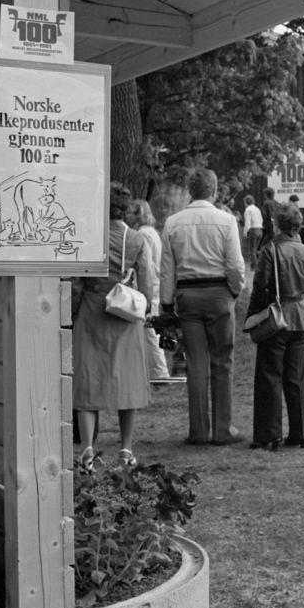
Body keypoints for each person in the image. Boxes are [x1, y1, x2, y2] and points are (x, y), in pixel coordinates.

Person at [161, 168, 246, 446]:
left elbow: (166, 270)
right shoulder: (226, 220)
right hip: (219, 291)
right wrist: (234, 290)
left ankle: (198, 431)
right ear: (214, 190)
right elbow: (235, 265)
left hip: (188, 294)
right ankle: (223, 429)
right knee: (223, 359)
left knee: (196, 363)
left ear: (190, 190)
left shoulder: (173, 222)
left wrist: (166, 304)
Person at [72, 182, 155, 467]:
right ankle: (126, 448)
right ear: (127, 208)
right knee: (127, 378)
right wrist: (146, 308)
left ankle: (87, 448)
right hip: (123, 309)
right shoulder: (136, 239)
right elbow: (146, 280)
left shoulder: (89, 237)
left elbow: (76, 281)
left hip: (92, 307)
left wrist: (72, 311)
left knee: (87, 378)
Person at [247, 203, 304, 450]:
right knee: (296, 378)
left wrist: (252, 318)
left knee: (270, 376)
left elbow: (260, 288)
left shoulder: (270, 250)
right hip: (300, 319)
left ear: (277, 224)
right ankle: (299, 434)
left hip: (277, 318)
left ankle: (269, 435)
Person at [127, 198, 172, 381]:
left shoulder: (143, 234)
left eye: (130, 212)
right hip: (154, 283)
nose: (126, 216)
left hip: (149, 284)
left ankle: (160, 372)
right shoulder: (151, 232)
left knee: (149, 329)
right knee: (148, 328)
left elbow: (146, 265)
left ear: (139, 214)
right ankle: (151, 370)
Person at [242, 194, 263, 269]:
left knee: (252, 250)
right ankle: (259, 263)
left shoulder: (248, 210)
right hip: (260, 229)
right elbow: (261, 219)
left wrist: (245, 232)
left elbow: (247, 222)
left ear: (245, 202)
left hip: (253, 230)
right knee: (255, 249)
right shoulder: (257, 209)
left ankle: (255, 266)